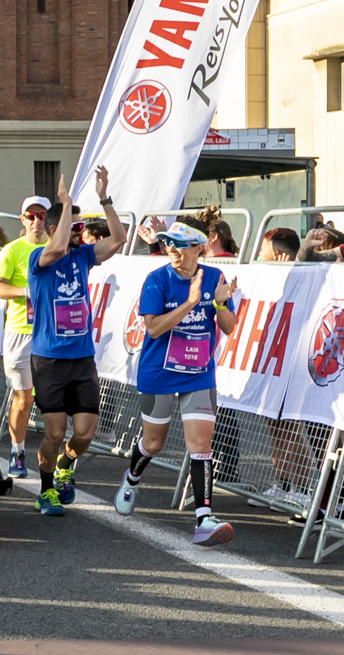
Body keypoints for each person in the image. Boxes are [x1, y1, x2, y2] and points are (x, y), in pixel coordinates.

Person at [115, 222, 240, 546]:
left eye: (179, 245)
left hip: (199, 373)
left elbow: (228, 327)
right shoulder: (157, 279)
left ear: (199, 248)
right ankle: (132, 478)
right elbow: (153, 329)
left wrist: (218, 304)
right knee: (153, 444)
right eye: (168, 244)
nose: (171, 249)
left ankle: (203, 519)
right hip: (158, 371)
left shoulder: (215, 277)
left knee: (200, 446)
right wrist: (189, 303)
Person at [24, 170, 125, 515]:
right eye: (75, 226)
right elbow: (55, 248)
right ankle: (46, 490)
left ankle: (66, 464)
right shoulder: (38, 259)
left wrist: (105, 198)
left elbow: (119, 239)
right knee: (53, 433)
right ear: (57, 228)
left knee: (82, 434)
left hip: (82, 358)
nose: (81, 232)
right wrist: (64, 204)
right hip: (48, 360)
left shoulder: (83, 257)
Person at [0, 195, 53, 478]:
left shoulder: (59, 249)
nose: (36, 221)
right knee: (23, 399)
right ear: (22, 219)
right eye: (31, 216)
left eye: (41, 216)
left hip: (53, 334)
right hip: (21, 333)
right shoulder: (12, 250)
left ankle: (54, 465)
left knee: (54, 403)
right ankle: (17, 450)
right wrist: (26, 292)